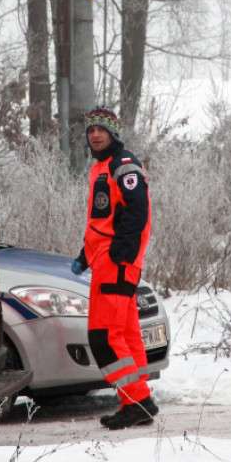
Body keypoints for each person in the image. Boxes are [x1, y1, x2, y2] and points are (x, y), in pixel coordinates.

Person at [71, 105, 158, 429]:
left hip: (116, 262)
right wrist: (85, 255)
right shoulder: (100, 169)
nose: (94, 135)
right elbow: (103, 220)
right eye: (91, 130)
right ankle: (138, 401)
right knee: (125, 335)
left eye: (101, 130)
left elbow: (138, 211)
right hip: (106, 260)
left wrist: (121, 254)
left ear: (113, 133)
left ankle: (137, 401)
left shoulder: (123, 164)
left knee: (104, 338)